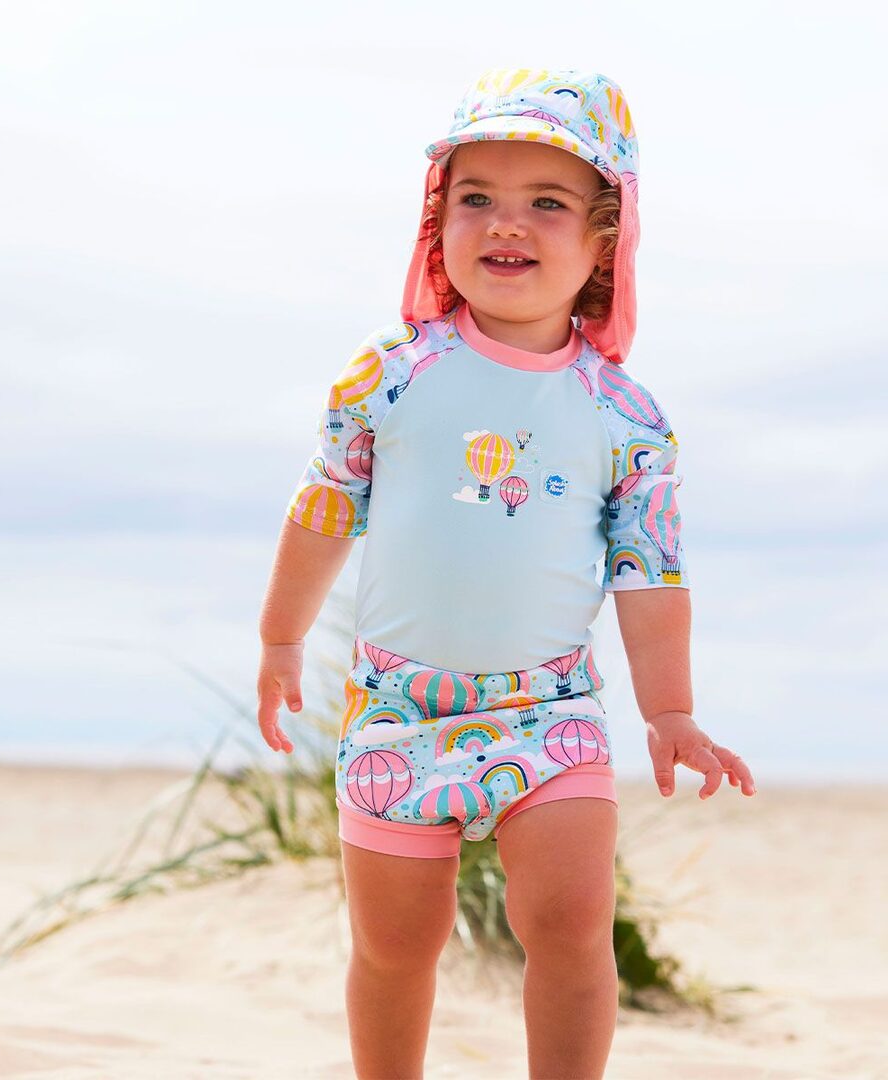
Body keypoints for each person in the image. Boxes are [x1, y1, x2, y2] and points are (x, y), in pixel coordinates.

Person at [256, 67, 756, 1080]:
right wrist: (281, 637)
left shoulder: (625, 415)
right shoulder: (390, 373)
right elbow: (324, 506)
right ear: (436, 222)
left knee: (570, 927)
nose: (506, 222)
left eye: (548, 202)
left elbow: (651, 572)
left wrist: (670, 710)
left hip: (549, 712)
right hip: (398, 709)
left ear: (605, 240)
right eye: (476, 196)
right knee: (395, 948)